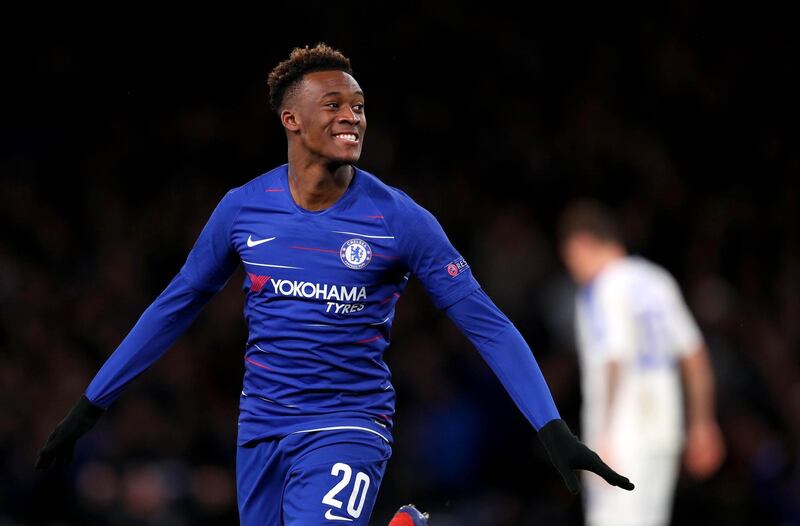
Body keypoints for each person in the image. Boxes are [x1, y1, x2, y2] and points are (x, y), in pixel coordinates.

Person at [36, 43, 633, 525]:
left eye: (359, 105)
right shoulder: (244, 210)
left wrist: (551, 427)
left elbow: (487, 323)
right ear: (290, 119)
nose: (351, 115)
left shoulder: (399, 219)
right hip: (261, 430)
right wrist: (91, 406)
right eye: (333, 104)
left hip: (348, 424)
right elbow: (173, 308)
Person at [558, 200, 726, 526]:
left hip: (621, 435)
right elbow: (694, 355)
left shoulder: (600, 288)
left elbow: (615, 358)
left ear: (582, 244)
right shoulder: (657, 279)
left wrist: (604, 435)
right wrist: (703, 423)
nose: (571, 268)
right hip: (664, 428)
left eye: (570, 256)